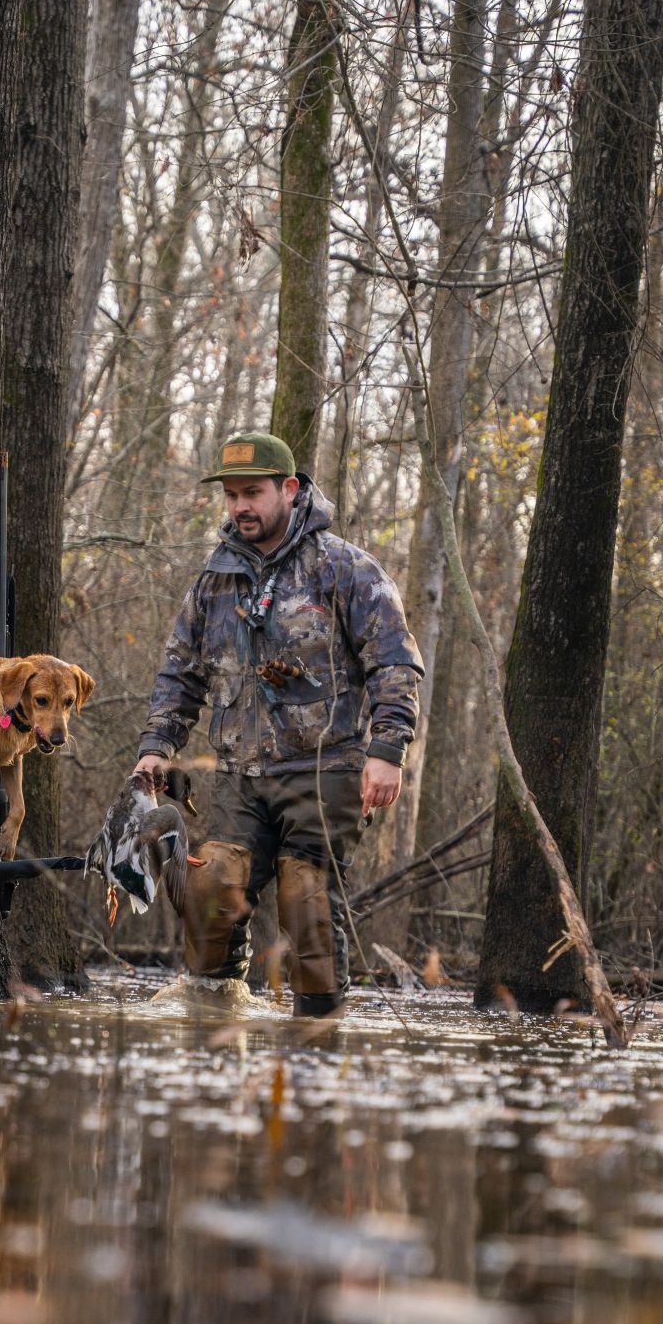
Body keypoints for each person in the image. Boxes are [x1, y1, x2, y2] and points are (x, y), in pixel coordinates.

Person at [134, 430, 423, 1016]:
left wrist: (388, 749)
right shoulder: (214, 581)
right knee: (211, 891)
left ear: (289, 489)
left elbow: (394, 661)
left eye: (254, 492)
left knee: (307, 902)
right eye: (232, 495)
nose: (241, 506)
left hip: (326, 769)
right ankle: (216, 1029)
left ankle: (317, 1046)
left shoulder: (344, 568)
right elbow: (180, 673)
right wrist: (157, 745)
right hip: (242, 774)